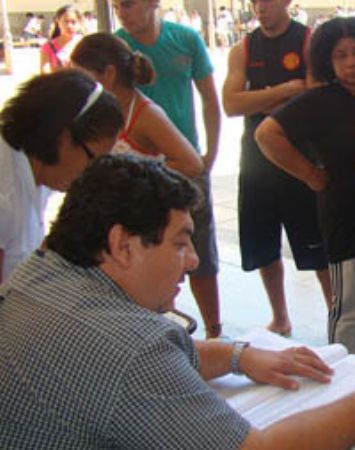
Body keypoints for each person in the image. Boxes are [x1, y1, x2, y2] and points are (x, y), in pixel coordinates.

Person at [0, 154, 355, 449]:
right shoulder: (131, 348)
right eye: (179, 243)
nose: (193, 261)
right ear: (122, 245)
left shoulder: (39, 274)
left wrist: (238, 355)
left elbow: (141, 360)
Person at [256, 18, 355, 364]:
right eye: (340, 55)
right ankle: (347, 375)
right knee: (352, 312)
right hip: (349, 222)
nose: (352, 62)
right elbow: (266, 134)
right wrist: (310, 175)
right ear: (327, 60)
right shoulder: (319, 100)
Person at [113, 0, 224, 338]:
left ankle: (215, 330)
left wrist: (210, 154)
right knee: (145, 252)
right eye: (116, 6)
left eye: (128, 4)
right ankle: (150, 328)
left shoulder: (186, 38)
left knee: (199, 251)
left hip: (184, 164)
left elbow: (210, 98)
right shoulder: (116, 47)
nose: (122, 13)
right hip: (140, 171)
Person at [222, 0, 331, 337]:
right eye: (254, 1)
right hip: (256, 161)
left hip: (301, 158)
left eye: (267, 0)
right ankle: (280, 316)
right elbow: (231, 104)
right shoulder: (242, 49)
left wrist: (257, 98)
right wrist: (284, 91)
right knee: (263, 244)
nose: (260, 7)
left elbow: (315, 99)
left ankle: (336, 314)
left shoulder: (309, 41)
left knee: (318, 248)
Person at [0, 70, 122, 283]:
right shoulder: (5, 199)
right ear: (63, 138)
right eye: (93, 159)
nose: (92, 173)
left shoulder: (38, 172)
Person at [71, 33, 204, 178]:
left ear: (109, 73)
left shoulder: (147, 115)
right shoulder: (95, 109)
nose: (78, 85)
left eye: (82, 77)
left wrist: (133, 180)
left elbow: (191, 164)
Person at [40, 5, 82, 73]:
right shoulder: (48, 47)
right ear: (58, 22)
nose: (69, 26)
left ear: (79, 22)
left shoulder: (85, 44)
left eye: (73, 22)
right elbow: (45, 73)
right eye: (66, 22)